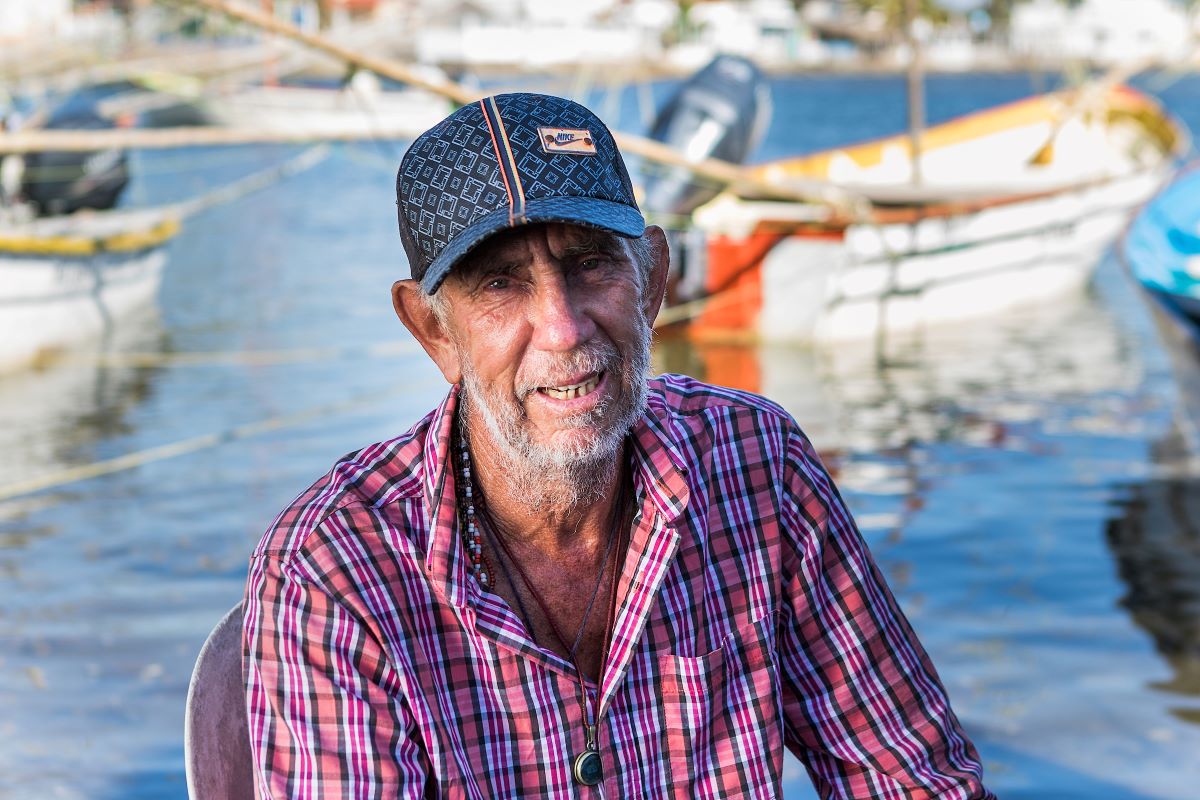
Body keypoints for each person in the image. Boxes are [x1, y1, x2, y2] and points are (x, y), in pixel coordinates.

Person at [243, 92, 995, 799]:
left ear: (653, 280)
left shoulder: (758, 464)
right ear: (435, 331)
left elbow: (910, 775)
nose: (565, 328)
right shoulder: (332, 571)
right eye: (501, 285)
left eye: (590, 265)